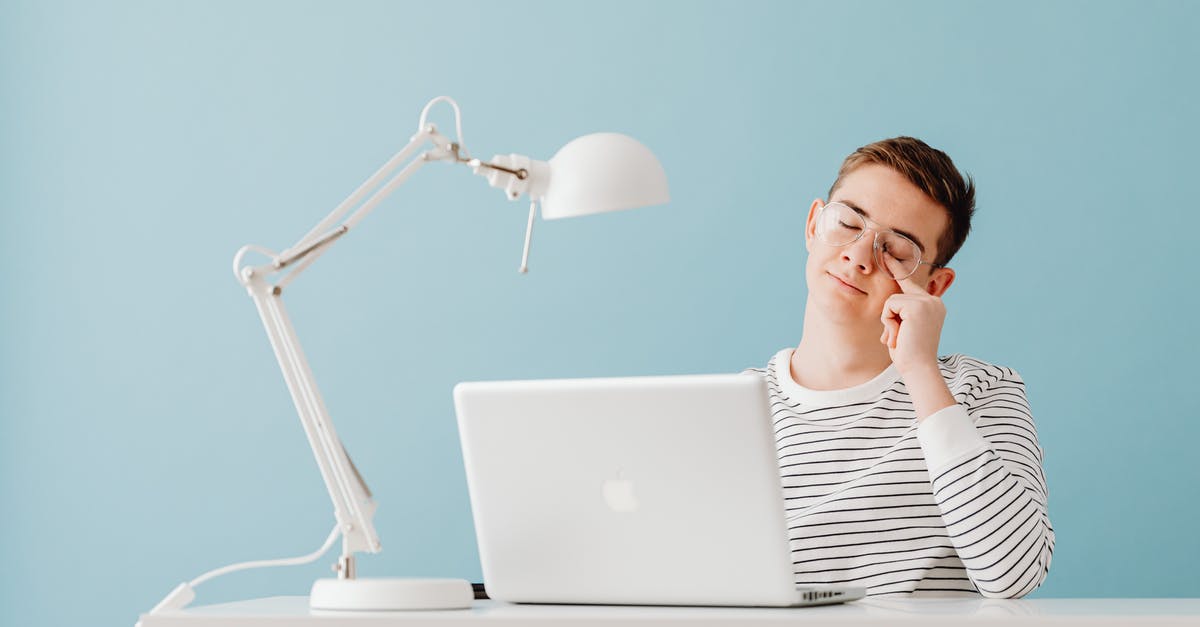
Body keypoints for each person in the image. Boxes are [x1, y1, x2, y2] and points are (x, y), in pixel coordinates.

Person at [745, 137, 1053, 597]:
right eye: (847, 222)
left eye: (898, 250)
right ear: (813, 225)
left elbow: (1014, 575)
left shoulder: (983, 390)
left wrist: (920, 370)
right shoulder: (737, 410)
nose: (859, 256)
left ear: (934, 283)